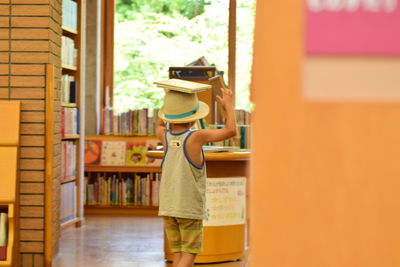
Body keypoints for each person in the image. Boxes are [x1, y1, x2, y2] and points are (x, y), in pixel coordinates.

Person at [156, 87, 237, 267]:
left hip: (168, 207)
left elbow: (159, 125)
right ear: (194, 118)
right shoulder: (196, 137)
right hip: (188, 208)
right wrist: (228, 105)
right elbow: (231, 131)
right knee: (190, 253)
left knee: (177, 252)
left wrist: (168, 103)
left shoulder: (164, 136)